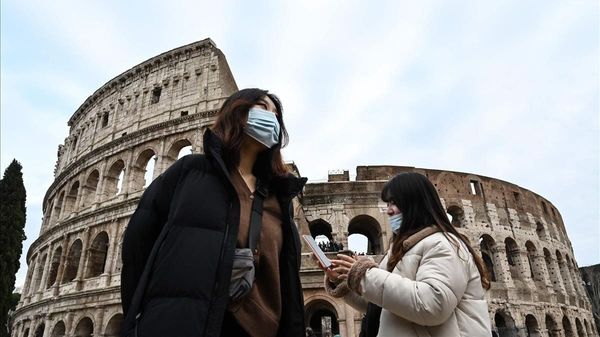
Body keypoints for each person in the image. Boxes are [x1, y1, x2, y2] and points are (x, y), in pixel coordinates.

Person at [120, 88, 307, 337]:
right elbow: (137, 246)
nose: (271, 118)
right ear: (236, 111)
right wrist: (145, 318)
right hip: (185, 323)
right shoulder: (189, 172)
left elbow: (286, 281)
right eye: (262, 108)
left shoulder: (279, 198)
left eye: (276, 115)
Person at [320, 172, 491, 337]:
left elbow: (432, 305)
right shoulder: (400, 250)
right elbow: (381, 305)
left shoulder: (443, 244)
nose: (388, 211)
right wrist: (344, 281)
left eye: (394, 203)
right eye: (387, 204)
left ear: (414, 203)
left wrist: (364, 275)